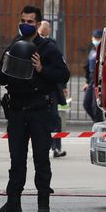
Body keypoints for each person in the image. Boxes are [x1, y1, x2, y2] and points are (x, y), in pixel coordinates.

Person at [0, 5, 70, 212]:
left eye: (30, 22)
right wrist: (10, 64)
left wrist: (41, 69)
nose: (25, 25)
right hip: (17, 109)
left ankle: (43, 203)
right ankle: (13, 203)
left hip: (39, 111)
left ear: (38, 24)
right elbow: (0, 76)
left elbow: (63, 74)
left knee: (41, 158)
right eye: (23, 21)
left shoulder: (48, 48)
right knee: (16, 159)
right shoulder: (14, 45)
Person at [38, 20, 67, 158]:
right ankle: (43, 146)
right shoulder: (31, 43)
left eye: (48, 27)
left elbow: (61, 65)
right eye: (45, 27)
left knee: (55, 117)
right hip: (36, 87)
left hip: (52, 87)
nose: (47, 29)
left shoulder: (53, 44)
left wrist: (64, 86)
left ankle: (56, 147)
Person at [82, 28, 104, 123]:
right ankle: (97, 122)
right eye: (95, 37)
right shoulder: (92, 51)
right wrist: (87, 82)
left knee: (96, 106)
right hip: (91, 80)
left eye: (98, 38)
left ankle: (98, 124)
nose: (96, 40)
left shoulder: (104, 51)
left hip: (99, 81)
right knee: (86, 104)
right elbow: (87, 67)